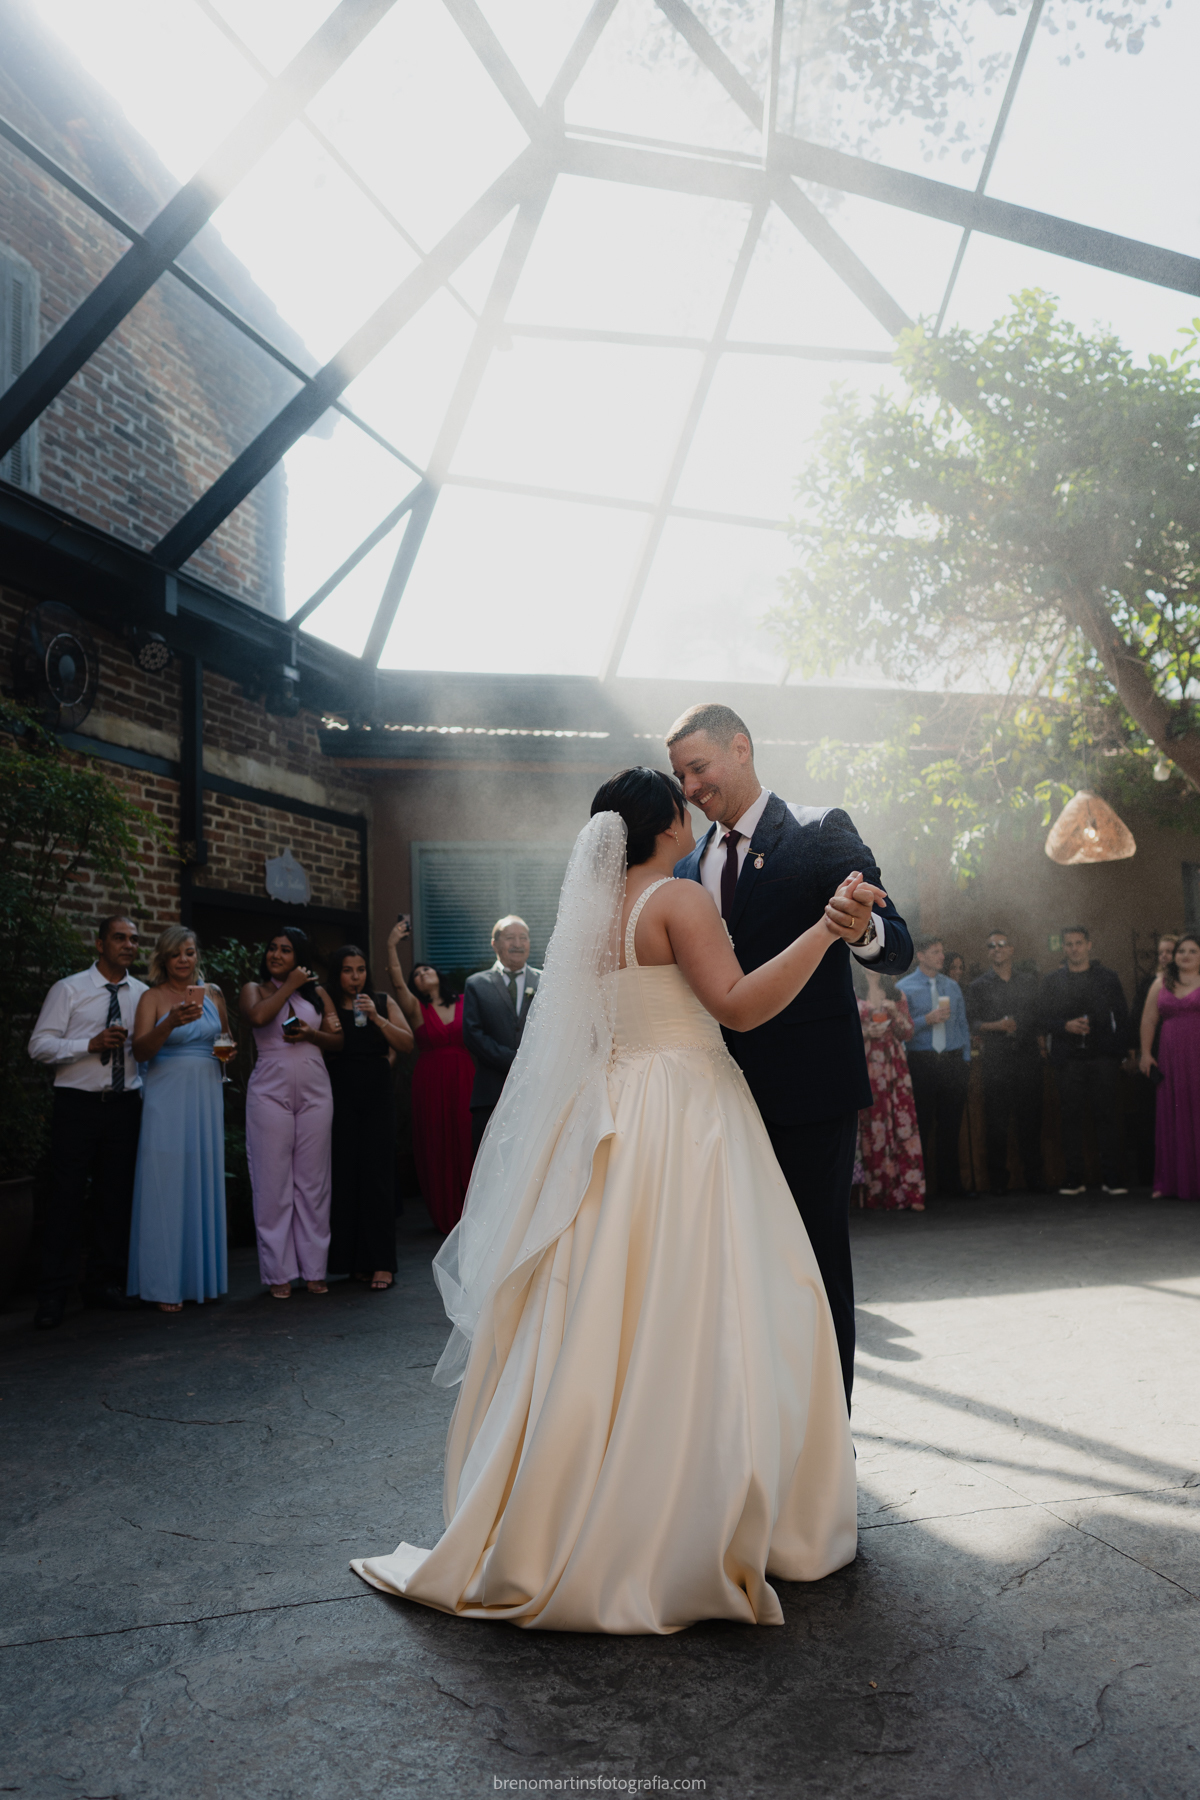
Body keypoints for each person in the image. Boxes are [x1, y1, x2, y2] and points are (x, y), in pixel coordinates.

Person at [353, 768, 878, 1632]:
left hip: (616, 1115)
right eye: (679, 796)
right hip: (690, 1112)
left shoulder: (593, 916)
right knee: (717, 1300)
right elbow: (740, 1008)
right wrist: (824, 933)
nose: (691, 803)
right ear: (663, 823)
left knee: (612, 1304)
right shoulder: (678, 903)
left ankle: (582, 1495)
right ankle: (700, 1508)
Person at [667, 703, 912, 1405]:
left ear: (740, 748)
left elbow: (897, 942)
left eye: (700, 767)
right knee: (737, 1270)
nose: (690, 786)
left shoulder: (817, 829)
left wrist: (861, 926)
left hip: (809, 1097)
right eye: (681, 774)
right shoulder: (689, 864)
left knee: (812, 1263)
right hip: (715, 1101)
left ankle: (828, 1438)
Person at [27, 915, 147, 1329]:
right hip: (77, 1104)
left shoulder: (143, 994)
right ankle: (53, 1295)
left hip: (125, 1104)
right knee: (66, 1197)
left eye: (133, 940)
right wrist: (89, 1045)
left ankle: (103, 1283)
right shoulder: (70, 989)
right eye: (119, 938)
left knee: (115, 1197)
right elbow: (39, 1046)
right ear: (100, 944)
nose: (128, 945)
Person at [126, 926, 230, 1312]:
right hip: (166, 1096)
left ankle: (201, 1280)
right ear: (164, 960)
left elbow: (225, 1040)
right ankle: (163, 1284)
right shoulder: (151, 998)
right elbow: (140, 1051)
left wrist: (226, 1052)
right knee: (164, 1182)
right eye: (175, 954)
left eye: (189, 952)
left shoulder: (213, 994)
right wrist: (169, 1022)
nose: (184, 960)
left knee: (200, 1179)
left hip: (206, 1095)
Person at [240, 927, 341, 1299]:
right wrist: (288, 985)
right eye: (272, 949)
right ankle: (278, 1272)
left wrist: (311, 1036)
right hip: (270, 1091)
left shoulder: (319, 995)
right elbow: (257, 1018)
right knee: (273, 1183)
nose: (276, 955)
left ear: (299, 955)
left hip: (316, 1090)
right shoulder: (256, 989)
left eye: (285, 950)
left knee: (313, 1183)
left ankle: (314, 1269)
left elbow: (338, 1038)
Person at [326, 945, 413, 1292]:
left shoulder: (380, 1000)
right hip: (340, 1094)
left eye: (360, 970)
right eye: (348, 970)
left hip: (377, 1096)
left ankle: (382, 1264)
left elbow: (407, 1043)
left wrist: (377, 1018)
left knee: (378, 1177)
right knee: (346, 1177)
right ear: (339, 973)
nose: (355, 977)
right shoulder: (329, 1002)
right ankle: (352, 1262)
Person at [387, 923, 475, 1232]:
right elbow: (397, 983)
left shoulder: (466, 1000)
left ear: (438, 974)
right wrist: (391, 945)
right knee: (437, 1144)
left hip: (466, 1077)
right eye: (417, 974)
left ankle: (474, 1211)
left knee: (468, 1140)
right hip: (431, 1083)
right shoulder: (415, 1008)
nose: (422, 974)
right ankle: (445, 1215)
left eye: (426, 969)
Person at [1040, 926, 1130, 1196]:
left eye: (1079, 943)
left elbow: (1123, 1017)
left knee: (1107, 1117)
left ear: (1089, 945)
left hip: (1103, 1057)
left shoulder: (1107, 977)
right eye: (1069, 944)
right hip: (1069, 1060)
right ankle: (1073, 1179)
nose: (1074, 948)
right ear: (1063, 948)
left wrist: (1119, 1052)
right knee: (1070, 1119)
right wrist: (1064, 1026)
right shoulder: (1052, 980)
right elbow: (1042, 1019)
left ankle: (1112, 1179)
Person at [966, 930, 1045, 1195]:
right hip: (996, 1059)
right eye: (991, 946)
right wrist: (996, 1026)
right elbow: (972, 1022)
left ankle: (1035, 1178)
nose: (996, 949)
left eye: (1001, 945)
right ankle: (998, 1183)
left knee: (1031, 1121)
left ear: (1012, 950)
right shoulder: (978, 986)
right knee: (996, 1123)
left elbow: (1039, 1017)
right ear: (988, 952)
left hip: (1027, 1057)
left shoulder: (1028, 982)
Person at [897, 936, 971, 1199]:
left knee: (951, 1127)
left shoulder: (952, 986)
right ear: (921, 956)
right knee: (922, 1126)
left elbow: (962, 1023)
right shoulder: (903, 987)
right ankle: (921, 1189)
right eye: (936, 952)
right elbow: (900, 1028)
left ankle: (952, 1187)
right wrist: (925, 1020)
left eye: (942, 951)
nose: (942, 956)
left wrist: (965, 1060)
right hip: (922, 1061)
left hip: (952, 1061)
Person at [462, 916, 540, 1155]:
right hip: (491, 1093)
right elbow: (473, 1035)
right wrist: (516, 1061)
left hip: (536, 1091)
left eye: (523, 938)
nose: (517, 943)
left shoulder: (547, 982)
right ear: (494, 944)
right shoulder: (476, 984)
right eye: (510, 938)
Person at [855, 966, 925, 1211]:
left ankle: (908, 1190)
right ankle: (875, 1193)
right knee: (871, 1126)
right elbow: (840, 1033)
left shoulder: (897, 994)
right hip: (865, 1064)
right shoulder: (851, 990)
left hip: (893, 1064)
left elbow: (907, 1031)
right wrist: (865, 1032)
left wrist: (896, 1013)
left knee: (902, 1123)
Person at [1140, 932, 1200, 1200]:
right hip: (1170, 1056)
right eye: (1181, 951)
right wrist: (1144, 1053)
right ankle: (1170, 1181)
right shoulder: (1161, 982)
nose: (1185, 956)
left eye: (1192, 951)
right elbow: (1148, 1020)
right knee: (1172, 1113)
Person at [1129, 934, 1178, 1186]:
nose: (1164, 956)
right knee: (1151, 1116)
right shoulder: (1150, 982)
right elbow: (1139, 1018)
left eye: (1170, 951)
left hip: (1184, 1054)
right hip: (1155, 1054)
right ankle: (1151, 1173)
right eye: (1161, 952)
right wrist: (1139, 1053)